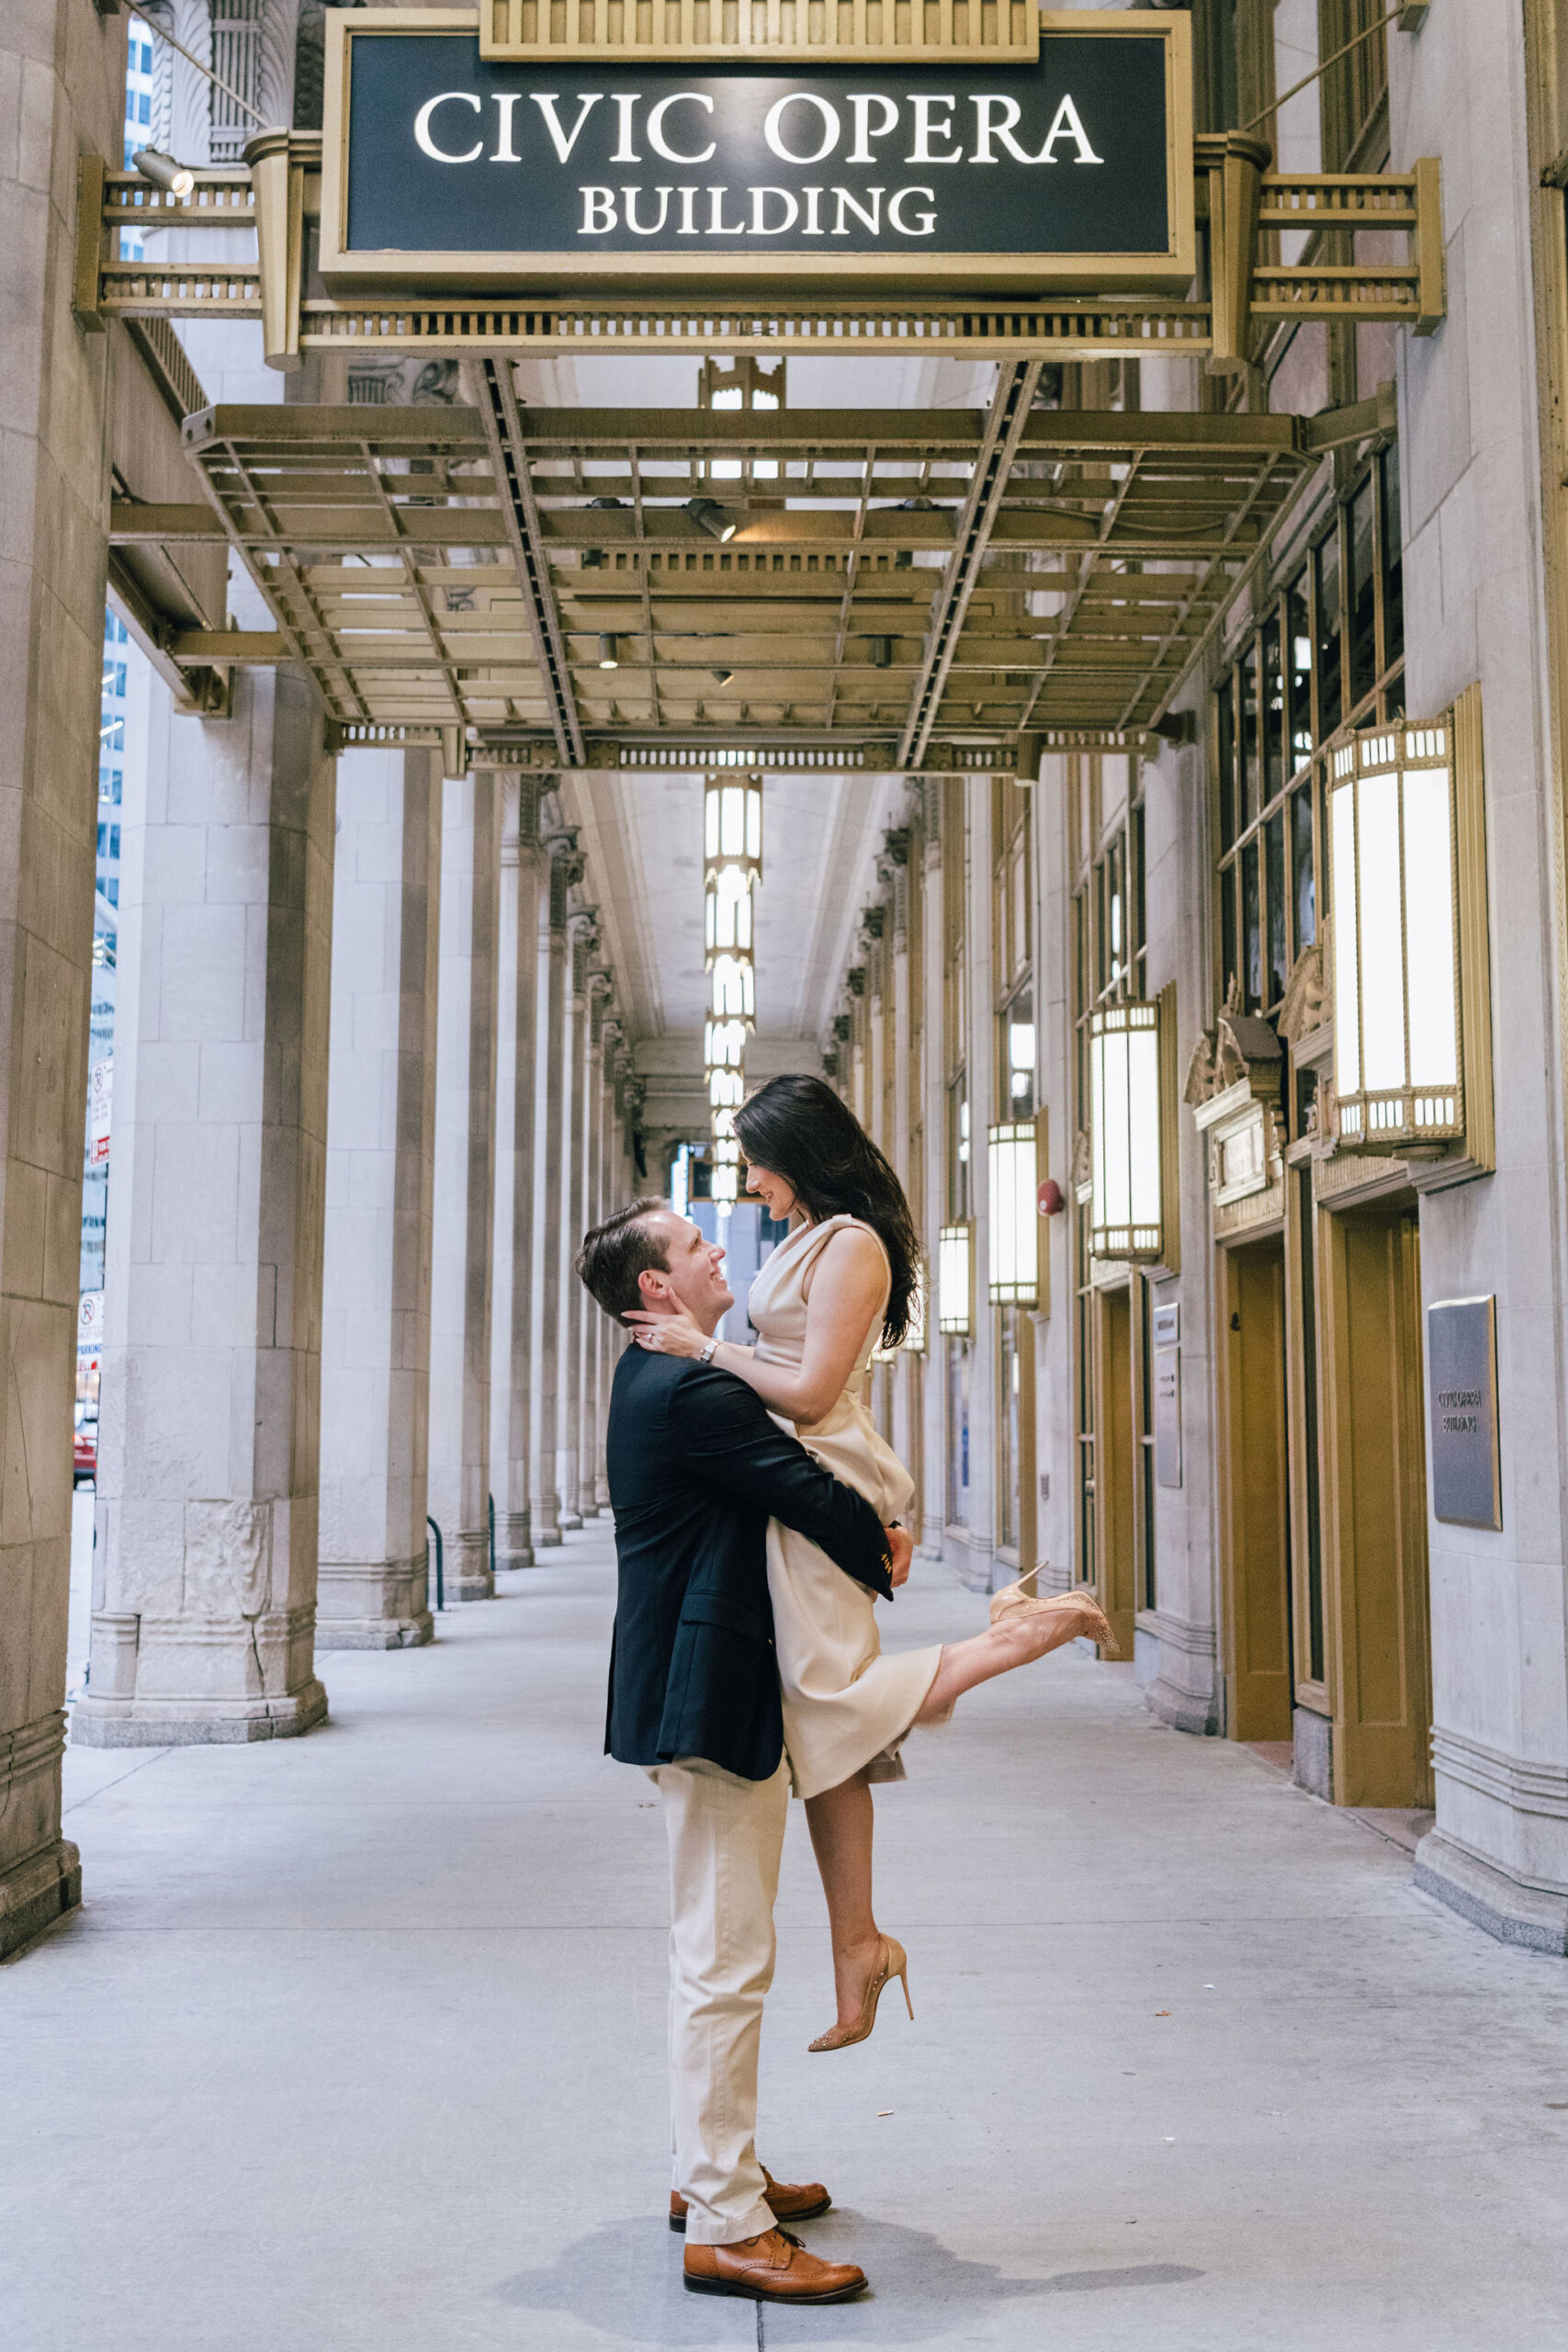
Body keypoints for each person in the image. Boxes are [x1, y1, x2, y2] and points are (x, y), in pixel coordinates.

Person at [627, 1072, 1115, 2051]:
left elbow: (809, 1394)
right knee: (822, 1722)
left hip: (822, 1469)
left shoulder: (851, 1244)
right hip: (793, 1476)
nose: (750, 1179)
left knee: (827, 1696)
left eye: (758, 1158)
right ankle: (859, 1943)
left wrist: (701, 1348)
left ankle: (1021, 1636)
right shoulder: (808, 1233)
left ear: (798, 1149)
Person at [575, 1196, 916, 2307]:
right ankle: (727, 2222)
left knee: (711, 1951)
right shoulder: (692, 1387)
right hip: (710, 1701)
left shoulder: (665, 1376)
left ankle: (710, 2168)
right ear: (659, 1289)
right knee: (725, 1961)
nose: (718, 1247)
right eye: (692, 1244)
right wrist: (885, 1541)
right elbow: (803, 1490)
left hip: (694, 1691)